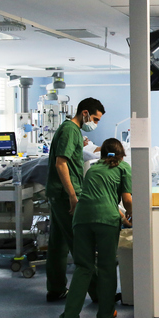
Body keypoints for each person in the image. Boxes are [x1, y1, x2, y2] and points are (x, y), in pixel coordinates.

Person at [59, 138, 132, 318]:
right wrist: (132, 215)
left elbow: (100, 197)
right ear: (121, 155)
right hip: (106, 222)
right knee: (107, 267)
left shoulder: (92, 169)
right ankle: (106, 314)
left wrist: (122, 218)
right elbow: (126, 199)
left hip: (81, 220)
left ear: (102, 154)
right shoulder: (124, 168)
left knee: (83, 267)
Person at [45, 97, 105, 302]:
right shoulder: (70, 130)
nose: (95, 124)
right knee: (80, 243)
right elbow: (61, 164)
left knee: (58, 243)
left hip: (57, 192)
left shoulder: (69, 130)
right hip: (64, 194)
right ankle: (98, 293)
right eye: (95, 119)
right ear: (85, 113)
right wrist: (72, 195)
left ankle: (56, 289)